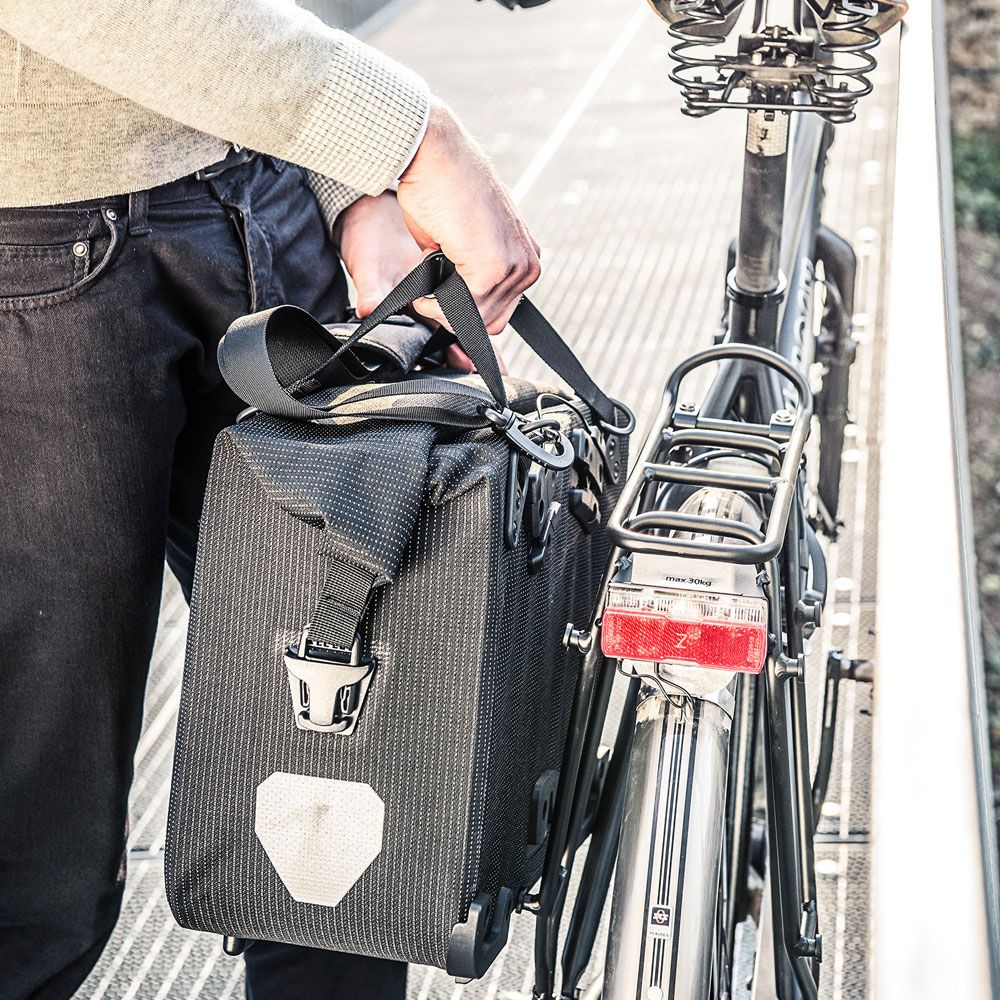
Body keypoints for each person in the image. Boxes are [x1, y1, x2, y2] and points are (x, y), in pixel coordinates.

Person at [0, 1, 541, 998]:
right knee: (37, 839)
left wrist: (348, 183)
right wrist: (410, 138)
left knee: (354, 771)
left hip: (261, 200)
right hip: (33, 244)